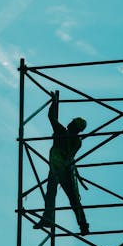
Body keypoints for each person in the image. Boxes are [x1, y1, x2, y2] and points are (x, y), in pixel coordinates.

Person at [34, 94, 90, 236]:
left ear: (74, 126)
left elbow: (51, 117)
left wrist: (54, 102)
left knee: (51, 193)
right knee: (73, 200)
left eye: (72, 123)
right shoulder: (78, 141)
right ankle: (83, 225)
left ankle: (48, 218)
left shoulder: (61, 132)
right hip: (67, 170)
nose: (69, 123)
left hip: (58, 168)